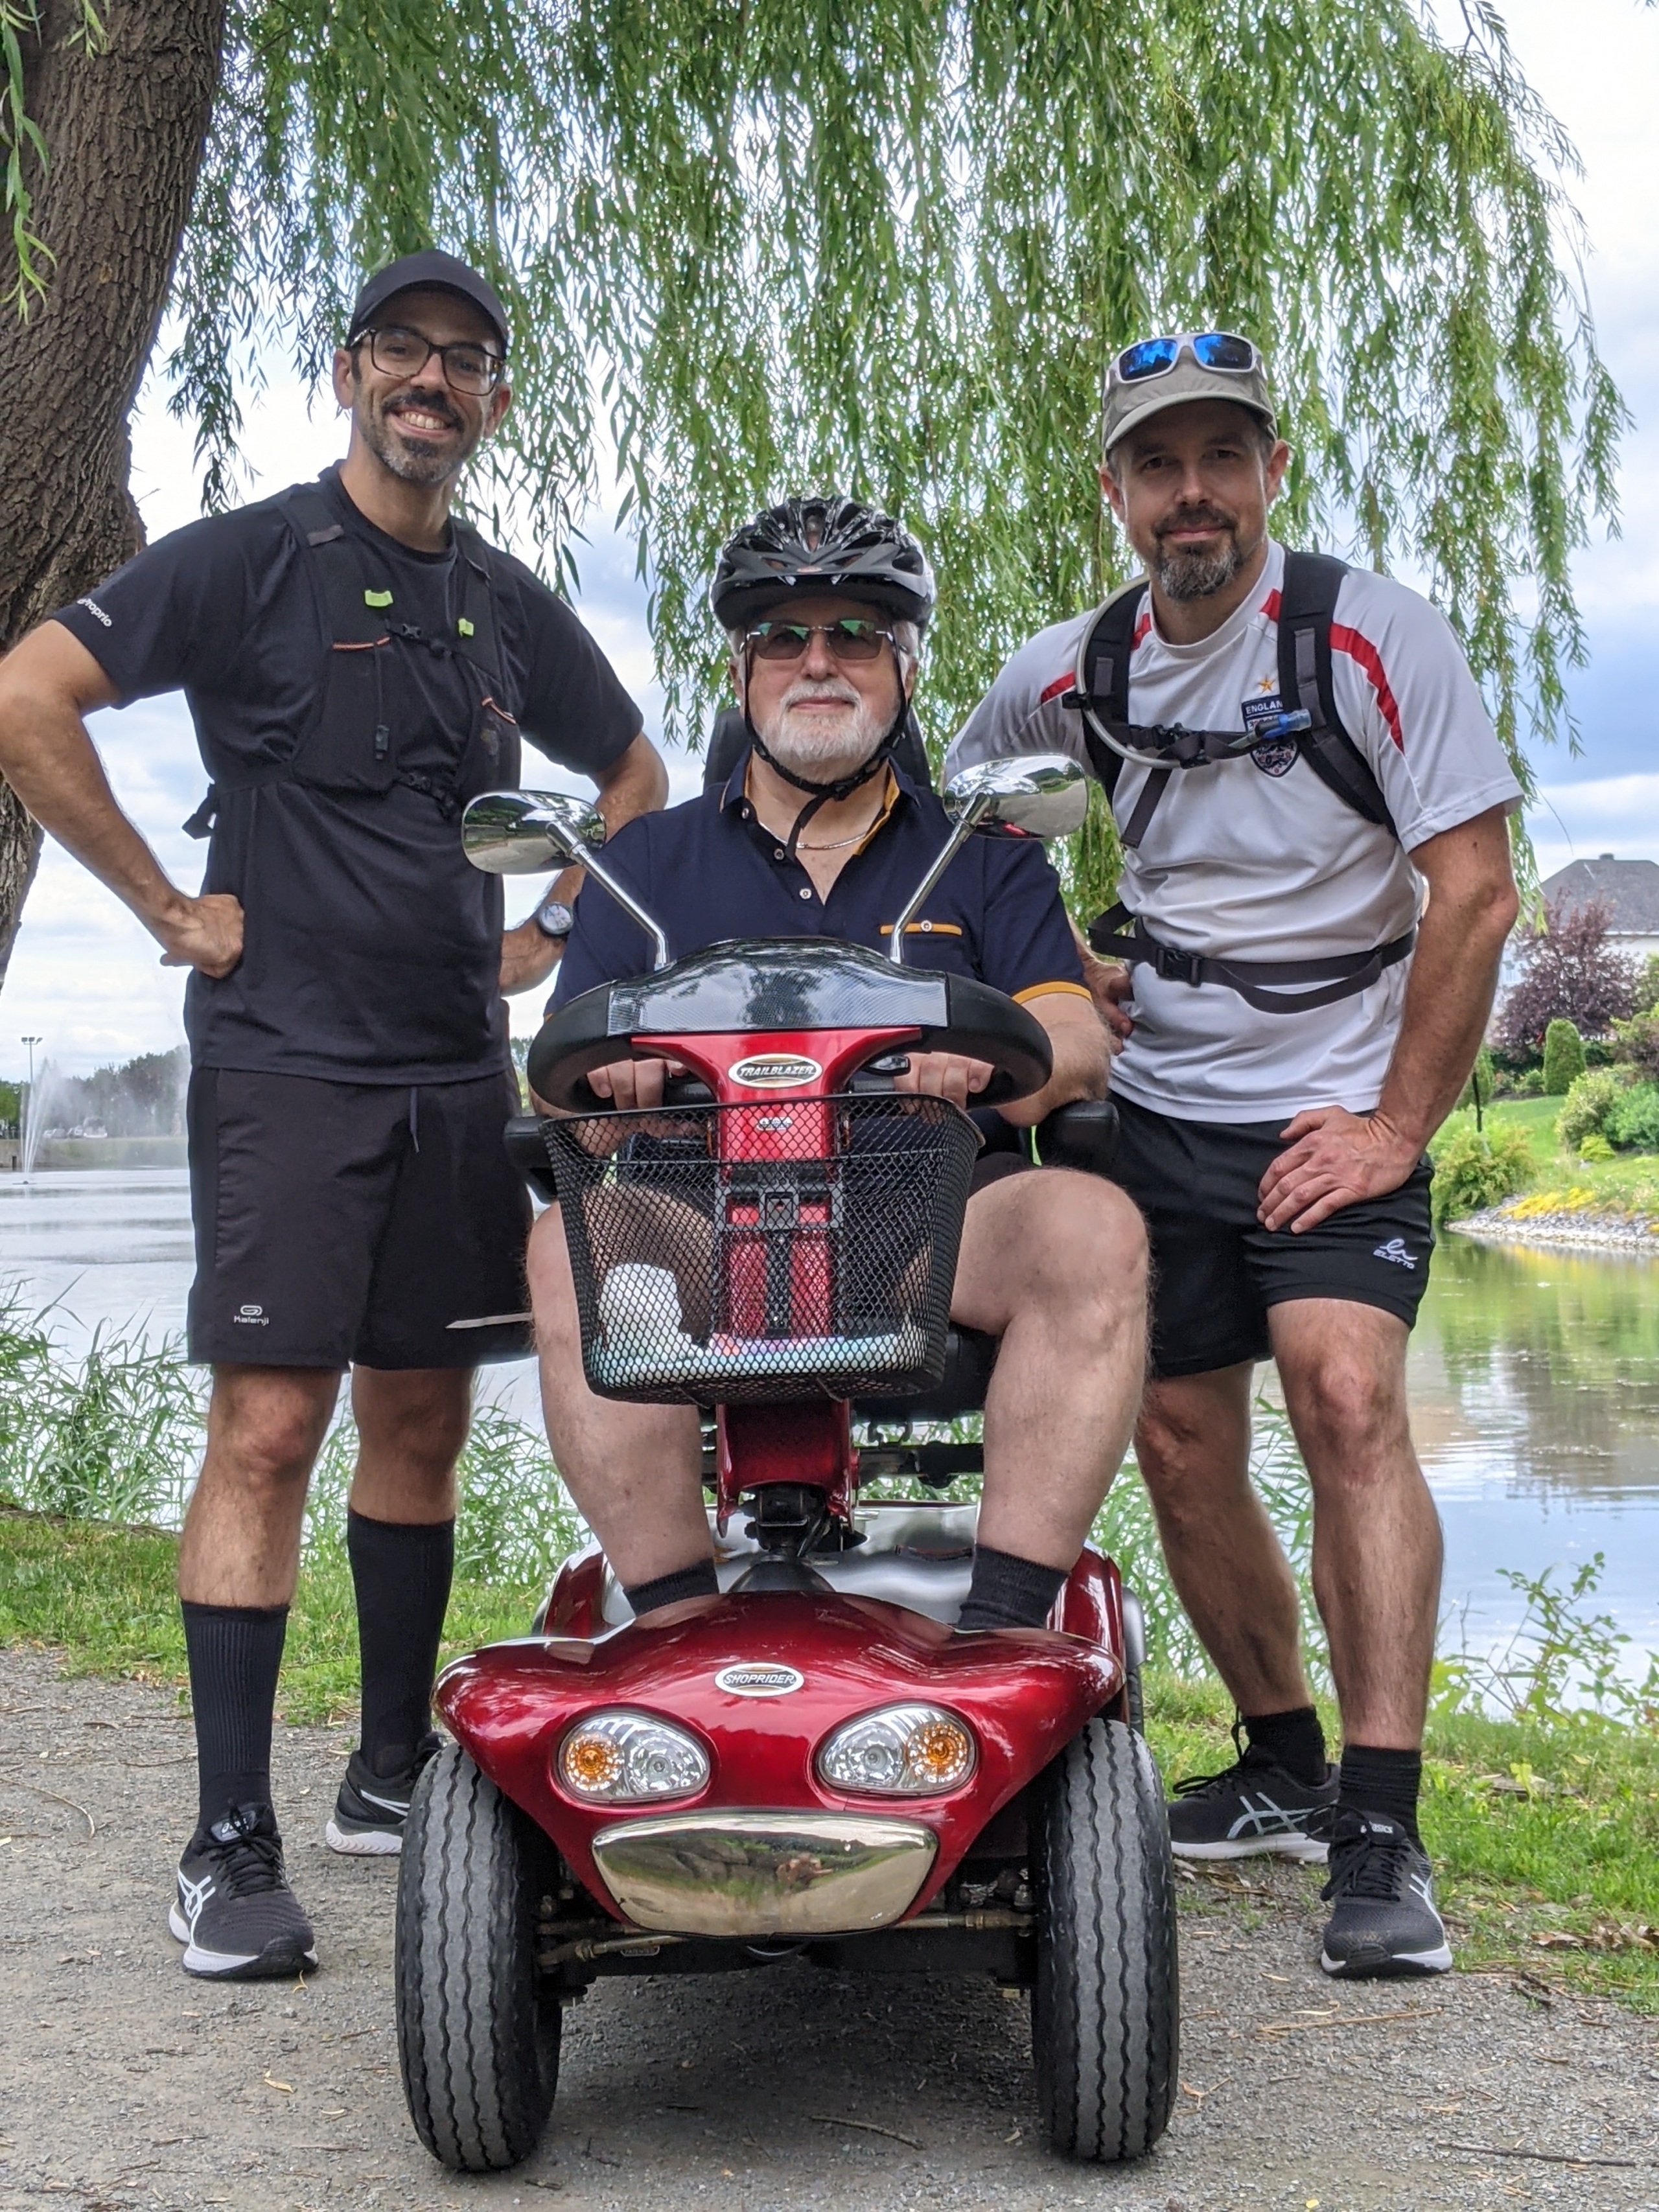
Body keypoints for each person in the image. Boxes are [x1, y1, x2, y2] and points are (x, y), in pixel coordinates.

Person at [0, 249, 667, 1981]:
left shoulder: (512, 606)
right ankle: (227, 1845)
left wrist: (553, 935)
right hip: (287, 1066)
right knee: (270, 1426)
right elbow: (26, 696)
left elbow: (639, 777)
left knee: (422, 1422)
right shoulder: (252, 558)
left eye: (464, 360)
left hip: (455, 1069)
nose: (430, 382)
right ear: (350, 370)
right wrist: (164, 904)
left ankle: (391, 1770)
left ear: (493, 399)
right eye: (402, 352)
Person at [946, 333, 1521, 1979]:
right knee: (1184, 1447)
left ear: (1271, 468)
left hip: (1339, 1101)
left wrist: (1396, 1127)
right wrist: (1060, 963)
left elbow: (1471, 892)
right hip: (1156, 1108)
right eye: (1155, 463)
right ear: (1116, 489)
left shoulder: (1364, 635)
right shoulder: (1068, 675)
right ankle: (1280, 1764)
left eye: (1220, 456)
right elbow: (948, 837)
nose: (1189, 492)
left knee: (1344, 1399)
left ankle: (1382, 1829)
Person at [527, 496, 1148, 1633]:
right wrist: (607, 1090)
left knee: (1093, 1227)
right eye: (784, 638)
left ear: (905, 664)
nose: (820, 663)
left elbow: (1072, 1034)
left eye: (856, 635)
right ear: (742, 668)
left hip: (930, 1234)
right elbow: (559, 1081)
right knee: (564, 1240)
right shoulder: (642, 865)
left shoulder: (982, 853)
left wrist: (985, 1059)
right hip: (703, 1234)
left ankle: (1000, 1632)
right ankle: (672, 1625)